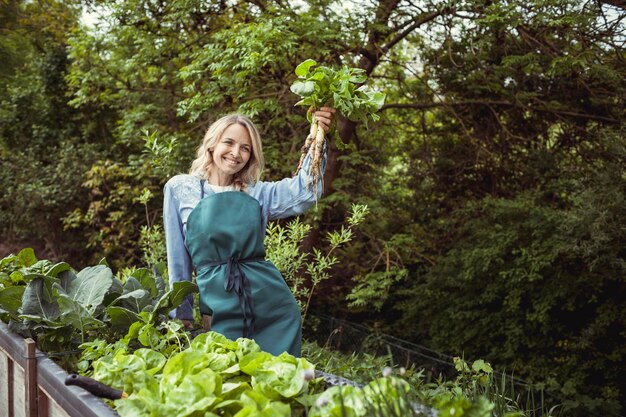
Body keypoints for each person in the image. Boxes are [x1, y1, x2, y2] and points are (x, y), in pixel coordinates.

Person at [163, 108, 335, 357]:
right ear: (212, 144)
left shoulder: (258, 193)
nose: (236, 153)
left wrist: (318, 136)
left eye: (245, 148)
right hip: (219, 306)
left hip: (270, 304)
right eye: (229, 143)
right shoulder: (180, 189)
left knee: (274, 382)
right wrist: (181, 316)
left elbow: (306, 191)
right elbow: (178, 262)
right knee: (225, 376)